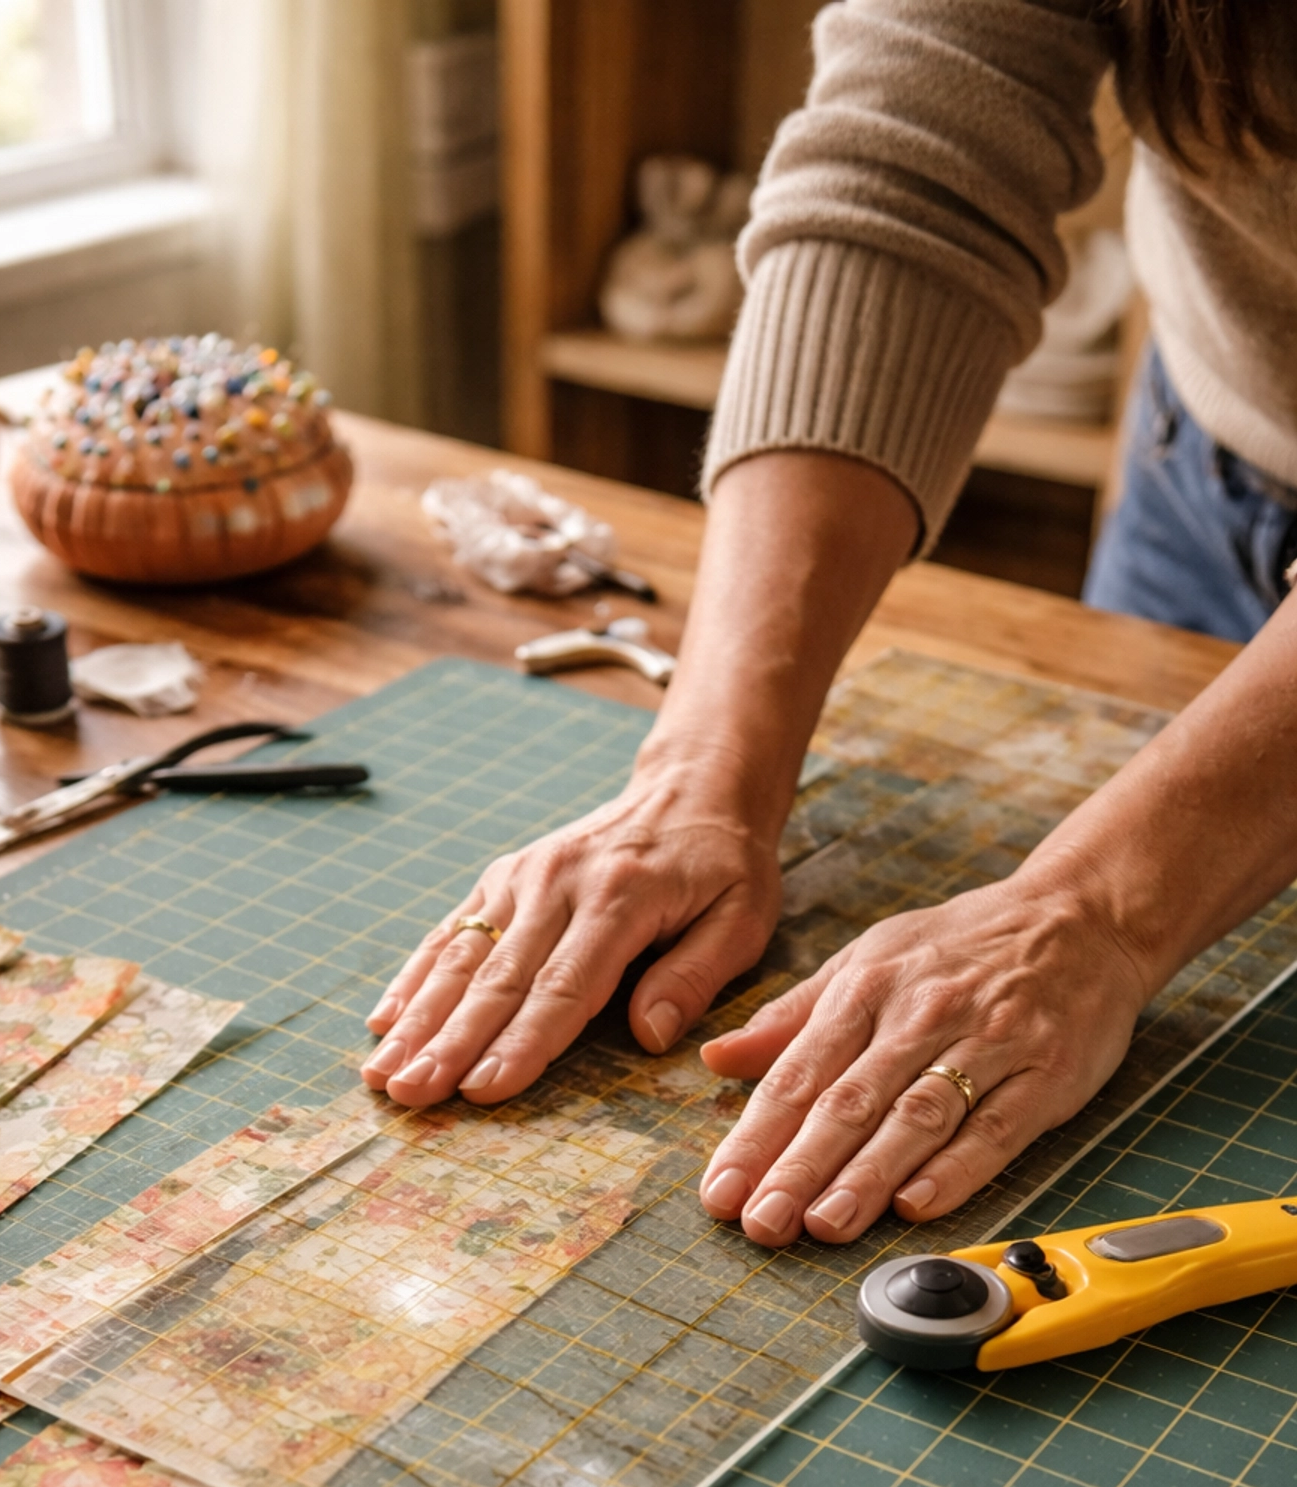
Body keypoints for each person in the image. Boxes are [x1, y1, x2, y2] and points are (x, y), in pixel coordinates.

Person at [363, 0, 1297, 1256]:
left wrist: (1096, 912)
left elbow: (1109, 905)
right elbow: (915, 161)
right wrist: (701, 777)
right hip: (1215, 450)